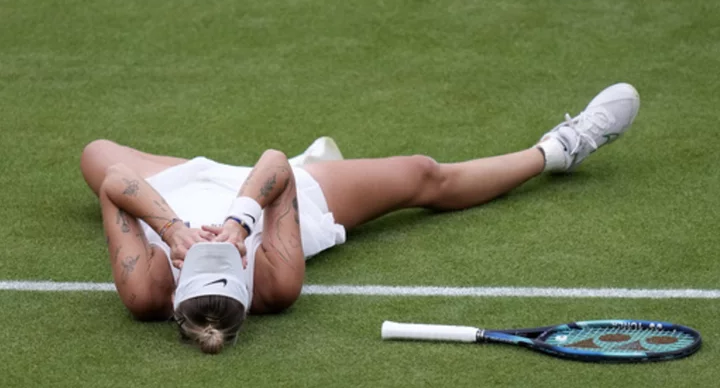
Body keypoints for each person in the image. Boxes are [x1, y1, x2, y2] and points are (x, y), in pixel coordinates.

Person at [79, 83, 640, 354]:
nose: (210, 243)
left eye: (206, 256)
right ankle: (560, 149)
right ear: (245, 287)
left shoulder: (144, 289)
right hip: (276, 201)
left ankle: (208, 188)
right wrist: (242, 226)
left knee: (94, 153)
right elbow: (276, 169)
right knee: (424, 174)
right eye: (220, 257)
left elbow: (113, 186)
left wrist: (176, 229)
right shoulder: (277, 282)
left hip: (176, 196)